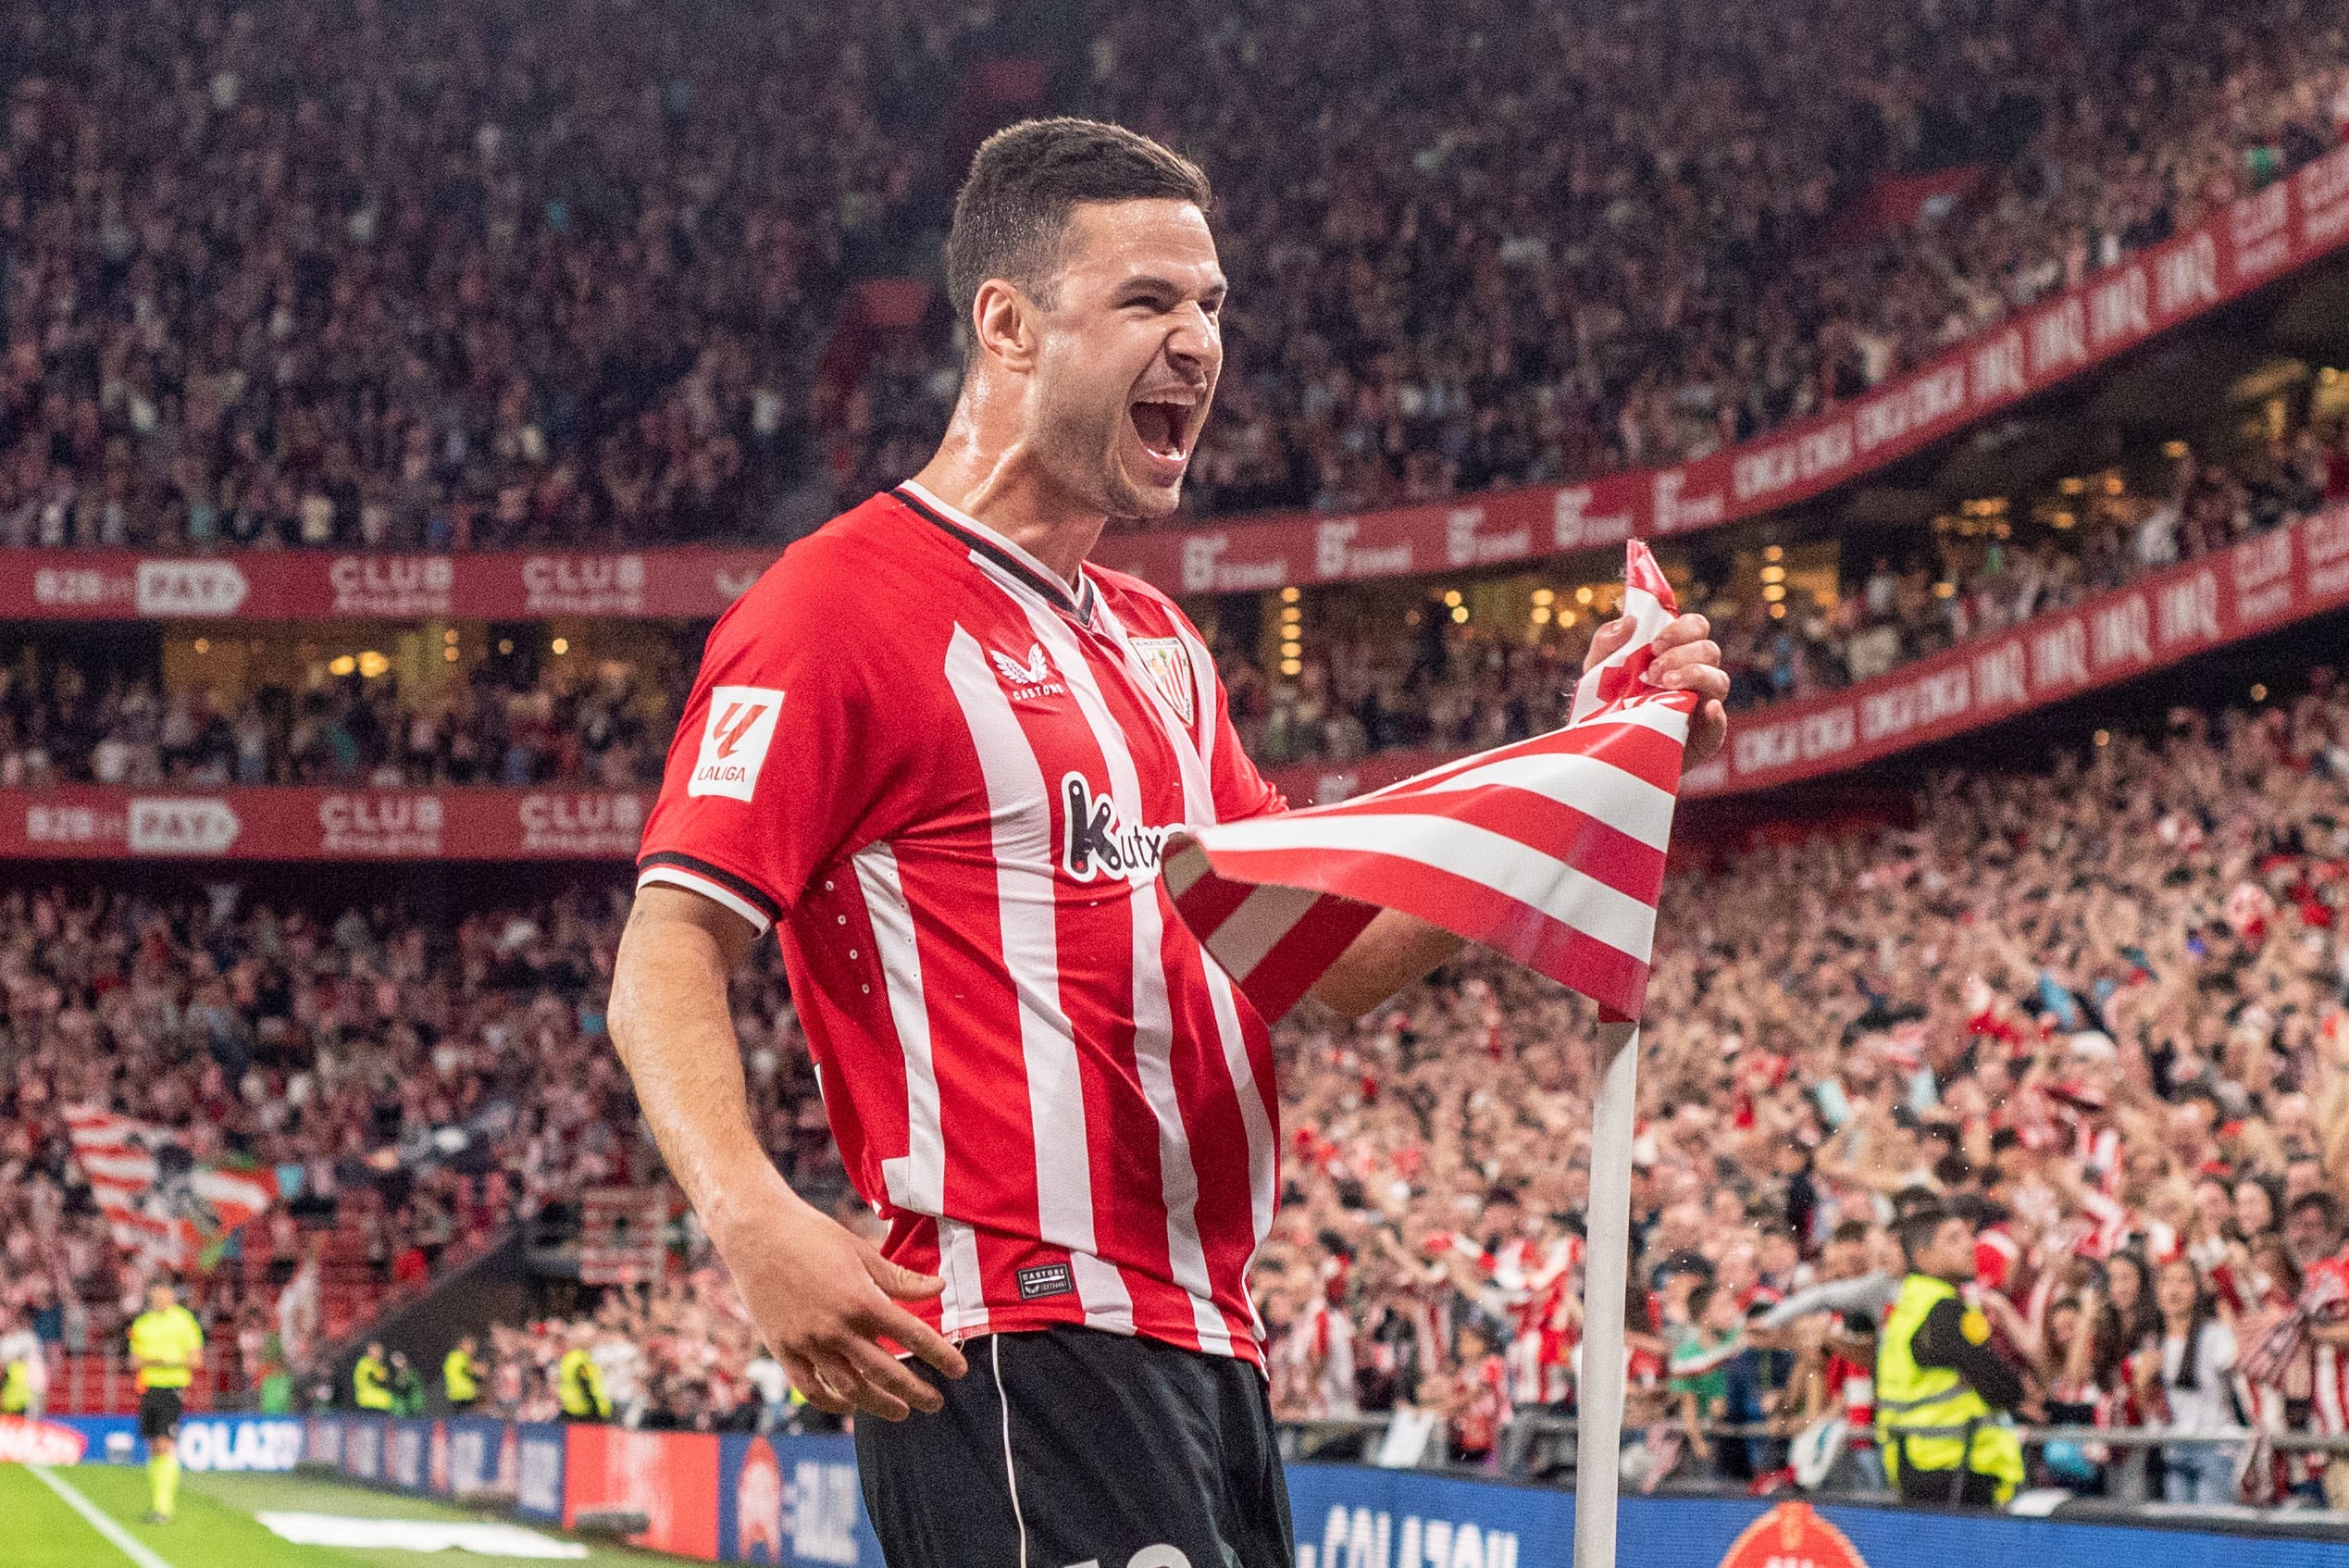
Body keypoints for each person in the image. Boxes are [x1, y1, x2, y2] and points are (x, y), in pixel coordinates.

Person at [608, 115, 1732, 1568]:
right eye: (1149, 301)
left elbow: (1326, 957)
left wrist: (1592, 765)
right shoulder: (837, 606)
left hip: (1208, 1344)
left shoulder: (1158, 649)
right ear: (1006, 325)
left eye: (1210, 306)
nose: (1199, 341)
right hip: (1018, 1336)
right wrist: (750, 1215)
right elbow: (666, 947)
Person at [1875, 1206, 2030, 1506]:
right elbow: (2003, 1388)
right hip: (1955, 1470)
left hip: (1918, 1464)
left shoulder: (1909, 1307)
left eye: (1967, 1236)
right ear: (1922, 1256)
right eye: (1953, 1239)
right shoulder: (1943, 1311)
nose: (1970, 1245)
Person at [2138, 1256, 2242, 1504]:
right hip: (2174, 1449)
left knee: (2212, 1529)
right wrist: (2142, 1380)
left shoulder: (2213, 1335)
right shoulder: (2153, 1343)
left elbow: (2235, 1361)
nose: (2174, 1290)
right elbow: (2149, 1409)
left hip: (2214, 1447)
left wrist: (2225, 1310)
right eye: (2167, 1282)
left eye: (2184, 1281)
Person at [127, 1279, 205, 1524]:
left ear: (172, 1296)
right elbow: (133, 1361)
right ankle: (157, 1503)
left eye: (164, 1294)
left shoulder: (184, 1321)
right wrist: (160, 1361)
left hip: (172, 1389)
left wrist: (167, 1361)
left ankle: (164, 1507)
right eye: (156, 1295)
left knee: (164, 1443)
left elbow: (196, 1359)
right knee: (152, 1446)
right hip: (149, 1388)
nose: (160, 1299)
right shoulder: (143, 1324)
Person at [0, 1305, 47, 1421]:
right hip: (7, 1400)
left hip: (25, 1399)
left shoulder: (28, 1339)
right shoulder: (4, 1342)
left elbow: (38, 1372)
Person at [557, 1327, 613, 1423]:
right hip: (584, 1413)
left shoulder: (571, 1358)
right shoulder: (580, 1361)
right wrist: (596, 1411)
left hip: (573, 1410)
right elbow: (585, 1385)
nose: (594, 1341)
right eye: (591, 1338)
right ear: (582, 1341)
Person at [444, 1335, 484, 1412]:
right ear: (460, 1344)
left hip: (462, 1396)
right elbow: (472, 1369)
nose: (473, 1347)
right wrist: (481, 1368)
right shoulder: (458, 1356)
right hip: (463, 1396)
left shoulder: (459, 1357)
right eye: (470, 1344)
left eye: (474, 1344)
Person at [353, 1341, 394, 1412]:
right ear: (369, 1351)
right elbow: (381, 1378)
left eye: (380, 1351)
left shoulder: (375, 1364)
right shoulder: (365, 1362)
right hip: (368, 1401)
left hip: (377, 1401)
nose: (379, 1353)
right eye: (376, 1350)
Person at [389, 1350, 428, 1416]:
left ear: (405, 1360)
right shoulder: (392, 1377)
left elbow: (417, 1391)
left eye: (400, 1358)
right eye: (395, 1360)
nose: (399, 1361)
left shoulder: (413, 1375)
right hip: (399, 1413)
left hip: (415, 1411)